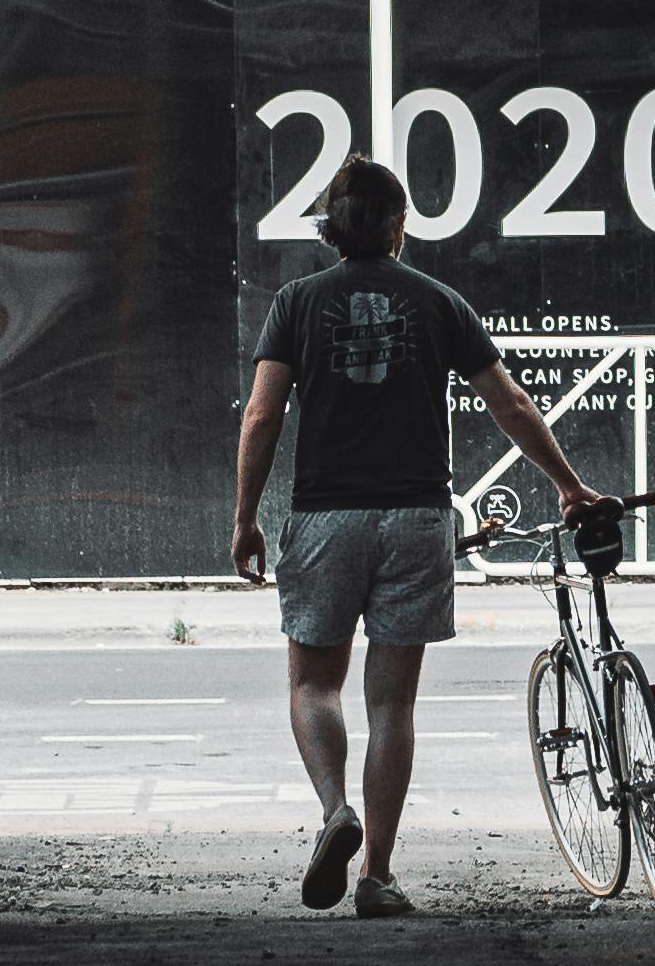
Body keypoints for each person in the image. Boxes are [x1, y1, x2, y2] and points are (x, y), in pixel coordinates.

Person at [231, 153, 615, 916]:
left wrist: (244, 518)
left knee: (313, 682)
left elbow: (263, 415)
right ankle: (376, 874)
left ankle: (334, 809)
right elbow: (511, 405)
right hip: (416, 519)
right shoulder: (439, 300)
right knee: (393, 707)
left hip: (326, 516)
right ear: (401, 224)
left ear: (329, 229)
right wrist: (569, 485)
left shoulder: (296, 303)